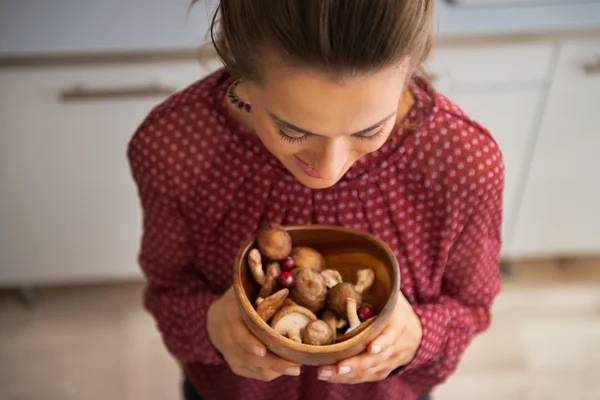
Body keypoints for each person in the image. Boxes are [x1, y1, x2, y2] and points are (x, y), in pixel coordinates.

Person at [127, 1, 504, 399]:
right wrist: (210, 327)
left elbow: (472, 305)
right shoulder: (175, 145)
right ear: (244, 75)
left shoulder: (462, 162)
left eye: (370, 129)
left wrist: (420, 337)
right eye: (292, 131)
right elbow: (168, 290)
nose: (329, 170)